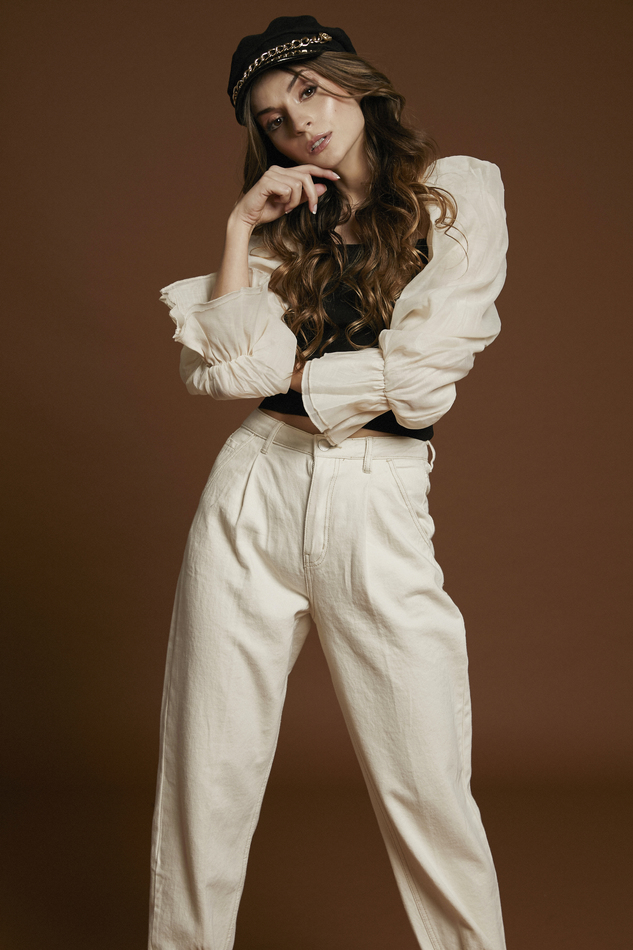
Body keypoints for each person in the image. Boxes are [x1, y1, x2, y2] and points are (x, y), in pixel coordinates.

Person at [149, 15, 509, 950]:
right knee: (207, 770)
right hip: (252, 492)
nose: (298, 121)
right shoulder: (284, 232)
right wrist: (240, 226)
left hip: (376, 496)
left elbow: (424, 376)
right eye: (273, 118)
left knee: (426, 781)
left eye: (308, 90)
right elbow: (228, 370)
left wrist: (301, 378)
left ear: (353, 82)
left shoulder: (453, 195)